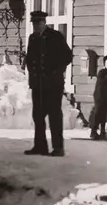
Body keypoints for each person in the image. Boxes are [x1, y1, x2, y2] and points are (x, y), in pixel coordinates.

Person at [23, 10, 73, 157]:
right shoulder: (32, 38)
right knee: (37, 116)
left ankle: (58, 148)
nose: (36, 26)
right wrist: (31, 70)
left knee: (54, 116)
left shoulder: (55, 37)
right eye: (34, 23)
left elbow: (67, 56)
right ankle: (40, 146)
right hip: (38, 84)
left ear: (45, 22)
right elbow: (30, 58)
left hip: (53, 85)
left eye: (39, 23)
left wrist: (56, 71)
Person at [89, 55, 107, 140]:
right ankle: (93, 132)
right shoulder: (102, 72)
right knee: (98, 113)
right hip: (99, 96)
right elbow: (101, 82)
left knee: (105, 114)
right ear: (104, 63)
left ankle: (103, 131)